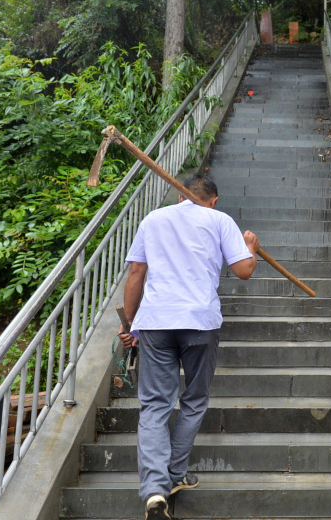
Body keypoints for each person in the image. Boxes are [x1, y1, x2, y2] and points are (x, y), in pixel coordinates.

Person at [117, 174, 259, 520]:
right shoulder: (219, 220)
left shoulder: (154, 218)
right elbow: (243, 271)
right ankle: (175, 473)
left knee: (154, 405)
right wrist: (251, 248)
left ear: (181, 196)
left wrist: (131, 324)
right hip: (199, 322)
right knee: (193, 400)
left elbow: (136, 273)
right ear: (213, 199)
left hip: (156, 322)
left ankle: (153, 488)